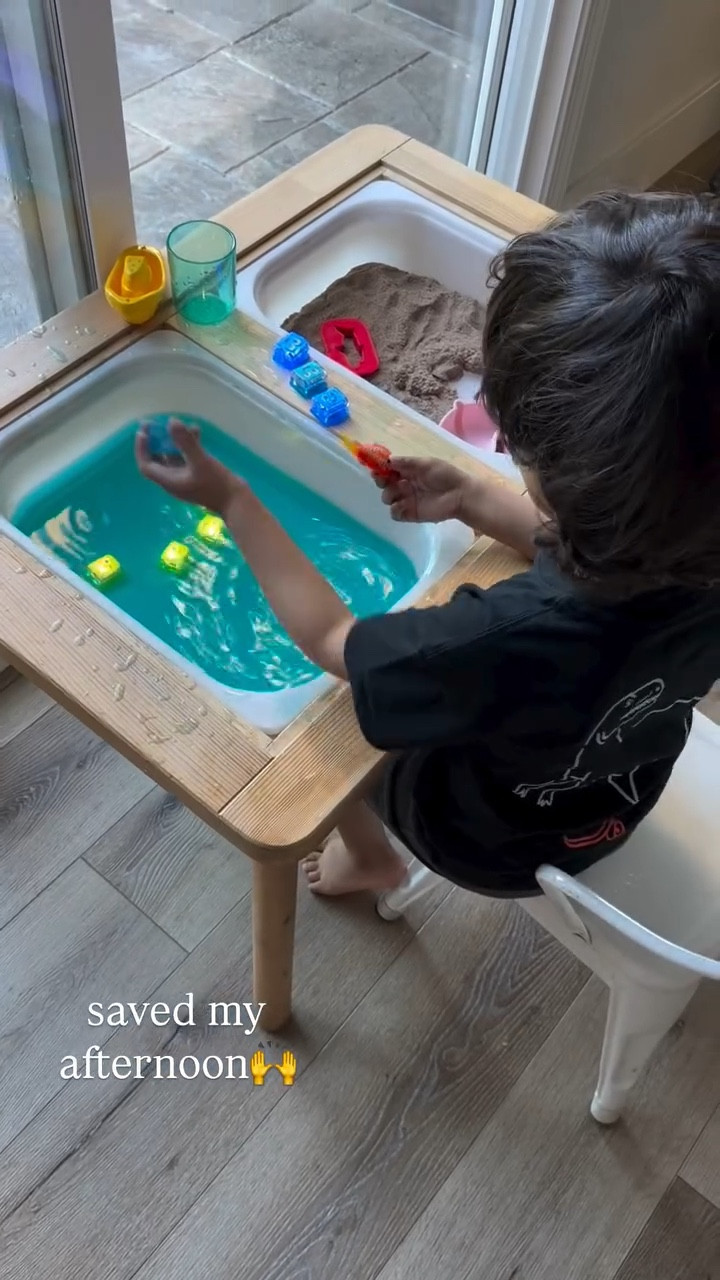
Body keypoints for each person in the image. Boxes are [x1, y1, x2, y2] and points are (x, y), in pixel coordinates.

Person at [137, 190, 720, 900]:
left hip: (481, 838)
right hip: (618, 801)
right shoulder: (696, 544)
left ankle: (373, 861)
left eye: (514, 441)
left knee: (318, 717)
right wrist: (473, 499)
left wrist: (231, 499)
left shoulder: (497, 638)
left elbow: (331, 639)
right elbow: (601, 559)